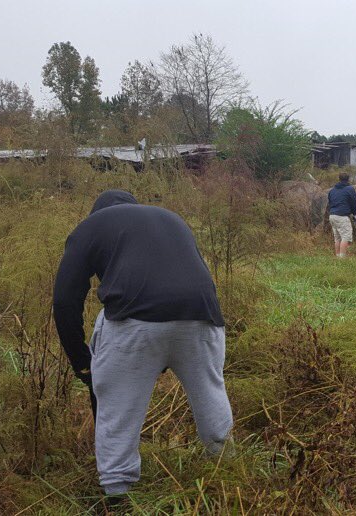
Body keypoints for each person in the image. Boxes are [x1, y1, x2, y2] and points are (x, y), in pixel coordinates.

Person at [53, 190, 233, 498]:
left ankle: (117, 494)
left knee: (118, 410)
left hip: (134, 323)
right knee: (210, 393)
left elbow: (65, 301)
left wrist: (83, 363)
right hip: (203, 316)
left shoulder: (92, 225)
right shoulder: (171, 218)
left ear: (97, 212)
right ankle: (229, 474)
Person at [327, 172, 356, 258]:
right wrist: (354, 213)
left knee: (337, 238)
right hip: (342, 216)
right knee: (346, 237)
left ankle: (338, 257)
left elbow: (330, 203)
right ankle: (342, 259)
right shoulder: (350, 189)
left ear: (339, 179)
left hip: (332, 216)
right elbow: (354, 202)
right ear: (348, 179)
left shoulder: (332, 190)